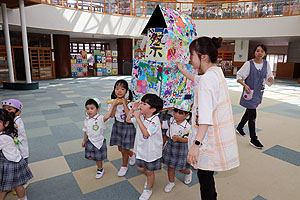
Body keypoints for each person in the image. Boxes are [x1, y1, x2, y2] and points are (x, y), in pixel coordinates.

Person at [178, 36, 240, 200]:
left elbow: (204, 117)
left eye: (191, 55)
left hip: (207, 139)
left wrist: (196, 145)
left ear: (202, 56)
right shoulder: (216, 72)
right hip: (214, 134)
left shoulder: (207, 79)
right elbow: (196, 79)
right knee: (208, 178)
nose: (190, 59)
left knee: (205, 179)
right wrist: (182, 70)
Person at [236, 44, 274, 149]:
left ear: (265, 53)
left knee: (249, 112)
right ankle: (253, 138)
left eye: (262, 51)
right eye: (257, 51)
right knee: (252, 114)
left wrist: (270, 79)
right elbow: (239, 77)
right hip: (249, 92)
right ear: (254, 52)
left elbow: (268, 77)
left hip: (258, 93)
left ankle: (239, 127)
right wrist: (245, 85)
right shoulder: (249, 64)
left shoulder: (266, 64)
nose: (259, 53)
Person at [126, 93, 163, 200]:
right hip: (142, 149)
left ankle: (148, 189)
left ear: (152, 109)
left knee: (150, 172)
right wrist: (132, 110)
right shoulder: (142, 116)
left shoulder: (155, 121)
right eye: (141, 102)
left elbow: (146, 133)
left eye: (144, 104)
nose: (141, 105)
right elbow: (128, 120)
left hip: (151, 151)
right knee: (140, 167)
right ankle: (149, 178)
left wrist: (138, 118)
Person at [0, 109, 33, 200]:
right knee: (18, 184)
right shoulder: (8, 131)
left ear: (6, 124)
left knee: (2, 188)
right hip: (16, 162)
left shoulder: (2, 138)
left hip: (10, 165)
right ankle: (22, 198)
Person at [162, 100, 193, 193]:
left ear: (186, 115)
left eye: (180, 113)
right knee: (170, 166)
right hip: (170, 145)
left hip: (181, 148)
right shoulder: (171, 120)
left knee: (181, 168)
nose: (176, 114)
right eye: (175, 111)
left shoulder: (187, 127)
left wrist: (180, 139)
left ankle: (188, 172)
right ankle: (171, 182)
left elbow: (189, 139)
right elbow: (163, 125)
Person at [109, 79, 136, 177]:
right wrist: (114, 105)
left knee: (124, 149)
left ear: (126, 91)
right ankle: (131, 154)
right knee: (120, 148)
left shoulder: (130, 103)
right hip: (117, 126)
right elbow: (111, 115)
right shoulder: (112, 102)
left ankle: (124, 166)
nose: (119, 91)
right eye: (117, 88)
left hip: (127, 126)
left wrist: (124, 103)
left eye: (122, 89)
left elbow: (129, 115)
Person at [82, 97, 114, 179]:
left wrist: (113, 105)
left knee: (98, 159)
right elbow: (86, 130)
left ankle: (100, 169)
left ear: (98, 108)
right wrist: (84, 140)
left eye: (92, 108)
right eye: (87, 109)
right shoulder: (86, 120)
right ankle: (100, 161)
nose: (89, 111)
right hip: (90, 141)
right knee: (90, 157)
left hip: (99, 142)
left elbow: (107, 116)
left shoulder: (100, 118)